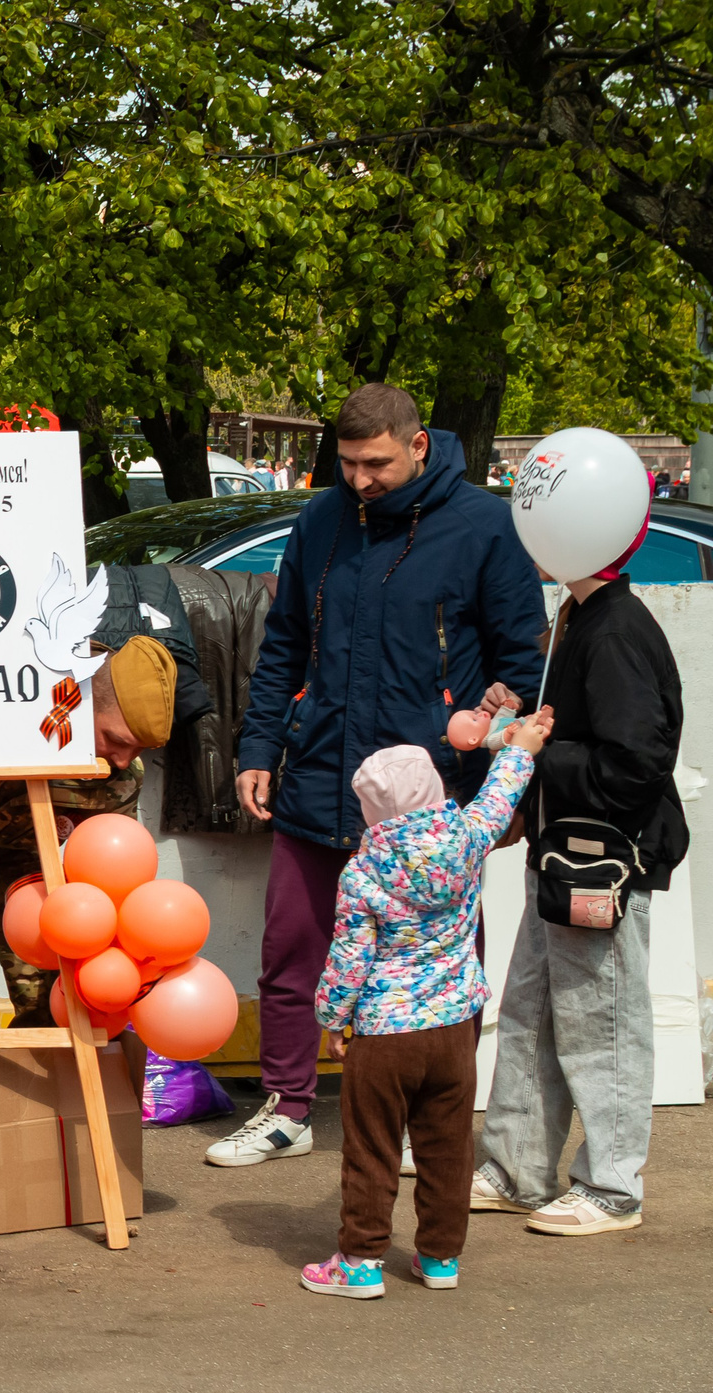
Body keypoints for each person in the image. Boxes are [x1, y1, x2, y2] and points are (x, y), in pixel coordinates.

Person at [216, 383, 545, 1167]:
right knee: (293, 951)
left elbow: (521, 667)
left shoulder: (486, 528)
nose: (360, 479)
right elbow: (284, 643)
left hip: (430, 798)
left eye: (377, 463)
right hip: (321, 774)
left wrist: (480, 742)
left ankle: (436, 1127)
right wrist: (259, 747)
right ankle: (289, 1108)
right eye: (349, 462)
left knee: (437, 964)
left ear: (419, 443)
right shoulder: (322, 517)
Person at [473, 555, 689, 1233]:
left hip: (604, 864)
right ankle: (517, 1170)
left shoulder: (613, 628)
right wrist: (524, 740)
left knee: (603, 1023)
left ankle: (611, 1186)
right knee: (531, 1014)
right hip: (567, 854)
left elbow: (636, 765)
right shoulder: (583, 617)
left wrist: (528, 750)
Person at [299, 727, 544, 1298]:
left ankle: (359, 1263)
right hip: (455, 1027)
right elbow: (500, 794)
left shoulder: (363, 871)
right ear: (436, 788)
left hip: (386, 1034)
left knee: (372, 1148)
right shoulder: (468, 835)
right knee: (448, 1146)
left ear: (368, 810)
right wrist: (519, 748)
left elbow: (349, 957)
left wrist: (335, 1020)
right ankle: (439, 1257)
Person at [0, 623, 198, 1025]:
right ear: (81, 705)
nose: (120, 758)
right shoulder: (8, 696)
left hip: (13, 856)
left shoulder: (121, 777)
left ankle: (39, 1081)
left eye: (137, 749)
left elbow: (111, 876)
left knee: (46, 988)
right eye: (114, 738)